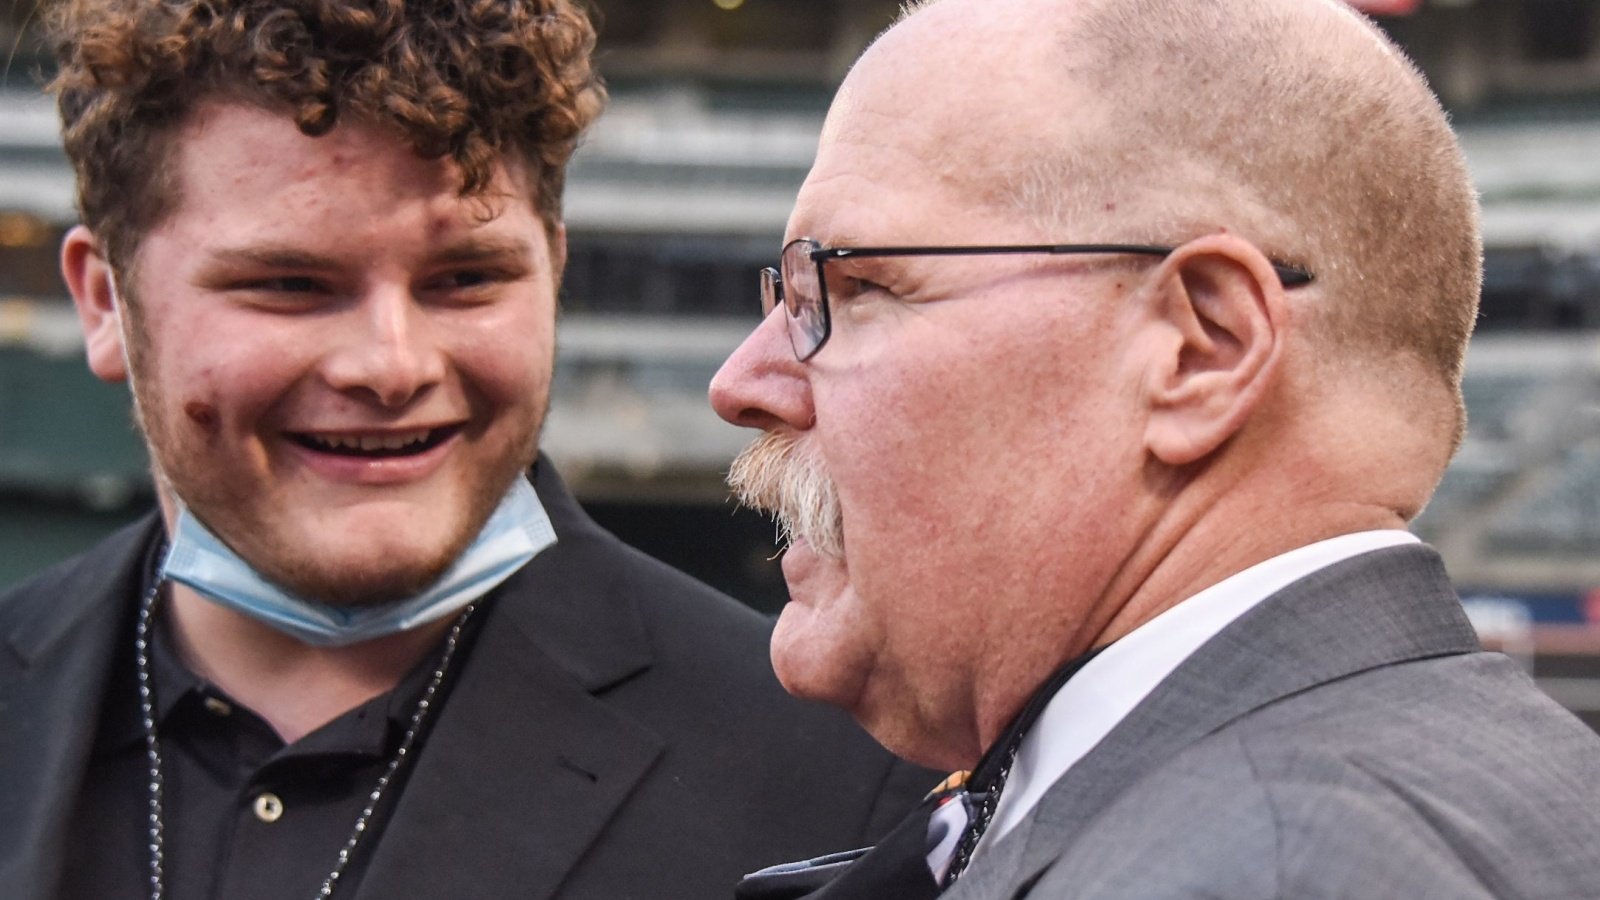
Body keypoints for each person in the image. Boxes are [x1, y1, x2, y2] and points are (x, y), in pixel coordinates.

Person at [0, 2, 932, 898]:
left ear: (552, 273)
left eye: (466, 279)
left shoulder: (845, 787)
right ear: (104, 303)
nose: (390, 366)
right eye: (289, 283)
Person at [710, 0, 1600, 897]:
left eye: (855, 287)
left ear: (1199, 352)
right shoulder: (1483, 778)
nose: (744, 382)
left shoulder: (1264, 866)